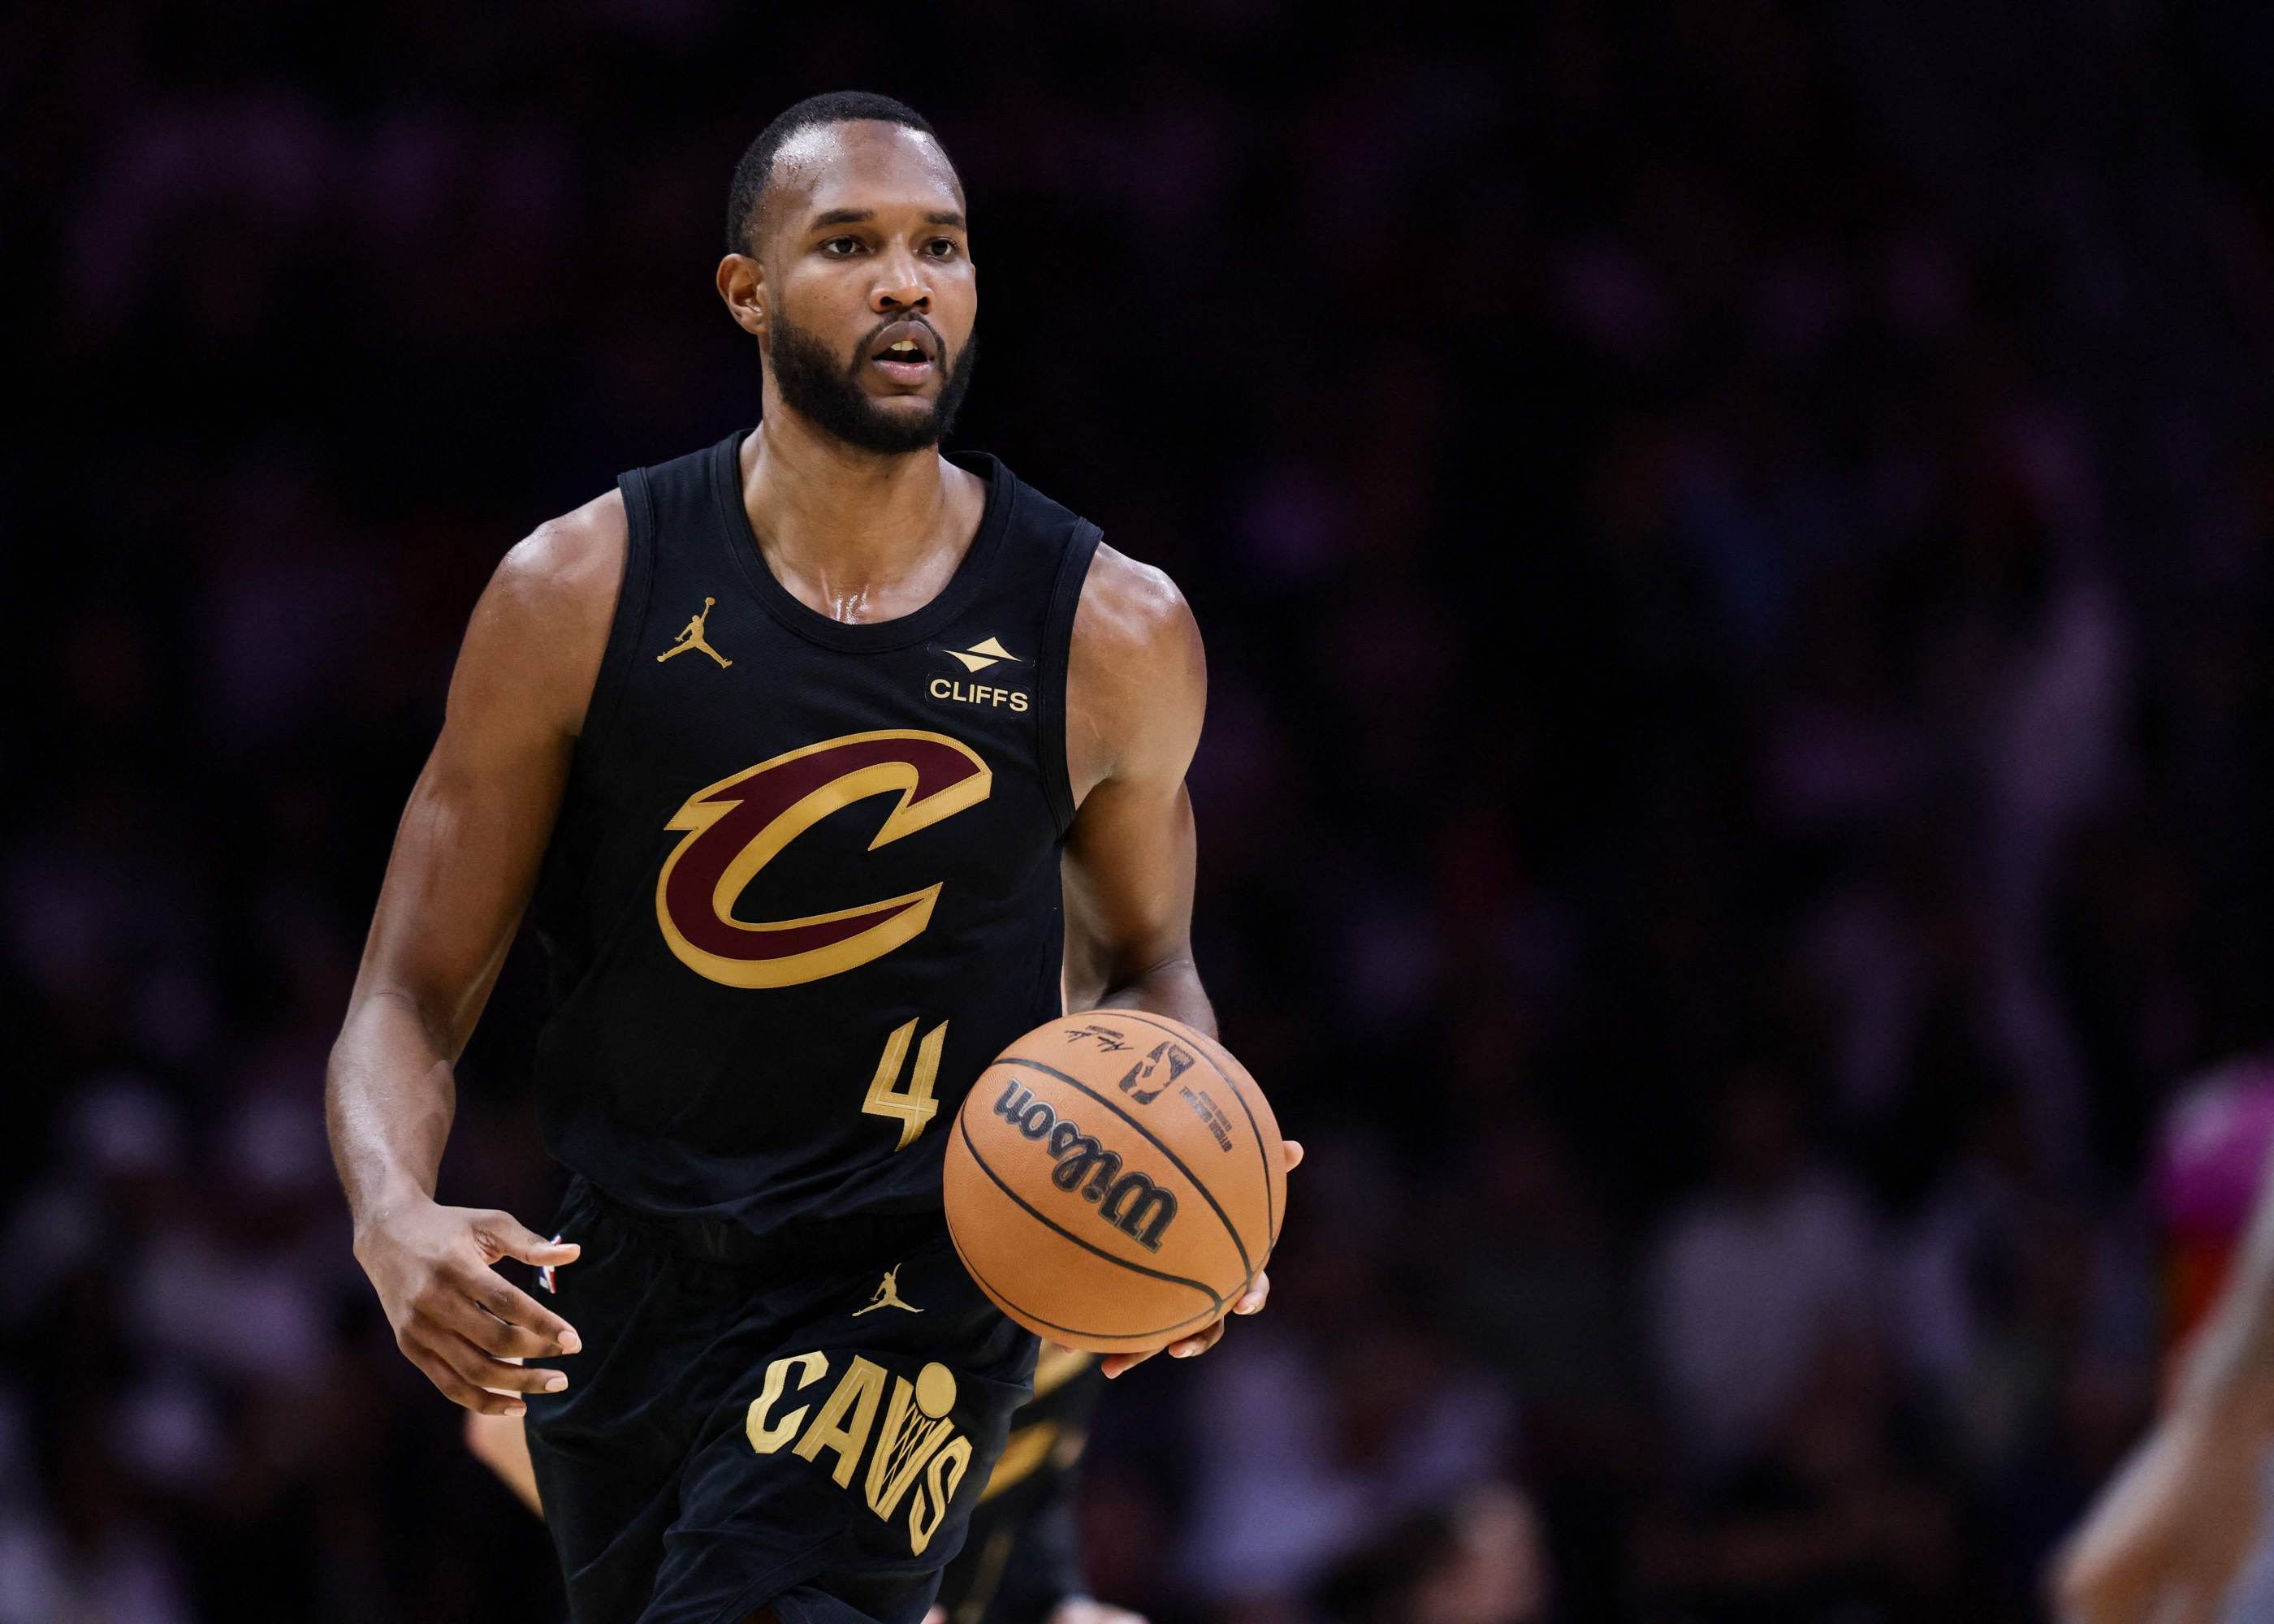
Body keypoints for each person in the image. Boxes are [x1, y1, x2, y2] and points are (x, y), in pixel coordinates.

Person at [326, 89, 1299, 1624]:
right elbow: (407, 989)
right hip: (623, 1275)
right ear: (748, 293)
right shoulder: (577, 592)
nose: (909, 282)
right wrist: (393, 1212)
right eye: (850, 245)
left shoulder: (1113, 628)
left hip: (904, 1288)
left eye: (943, 248)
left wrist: (1201, 1151)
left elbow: (1149, 961)